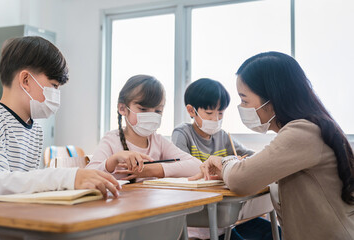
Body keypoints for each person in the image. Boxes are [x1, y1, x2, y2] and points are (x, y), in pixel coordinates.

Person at [0, 36, 120, 239]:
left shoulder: (35, 130)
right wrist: (68, 177)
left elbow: (25, 186)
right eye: (54, 85)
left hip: (0, 224)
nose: (57, 94)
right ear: (26, 80)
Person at [190, 51, 354, 240]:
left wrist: (224, 162)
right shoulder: (309, 128)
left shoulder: (302, 132)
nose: (241, 107)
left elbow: (240, 180)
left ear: (272, 99)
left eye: (244, 99)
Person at [173, 78, 276, 240]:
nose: (215, 119)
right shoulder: (183, 133)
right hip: (197, 213)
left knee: (272, 231)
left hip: (223, 211)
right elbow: (182, 169)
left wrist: (240, 163)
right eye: (209, 113)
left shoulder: (222, 135)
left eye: (220, 113)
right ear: (191, 111)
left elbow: (252, 156)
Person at [86, 75, 202, 181]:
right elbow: (87, 175)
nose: (151, 115)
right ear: (122, 108)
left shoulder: (158, 141)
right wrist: (113, 160)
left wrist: (153, 169)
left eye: (158, 111)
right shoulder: (111, 140)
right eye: (143, 109)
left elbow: (197, 166)